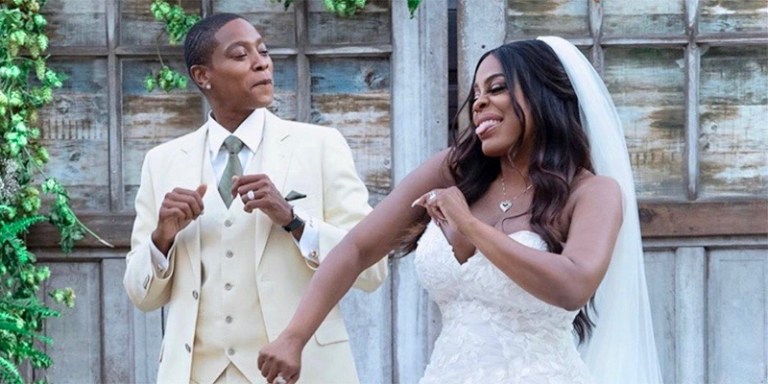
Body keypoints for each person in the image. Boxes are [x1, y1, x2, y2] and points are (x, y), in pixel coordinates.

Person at [257, 36, 663, 384]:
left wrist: (469, 227)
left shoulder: (592, 192)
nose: (480, 102)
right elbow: (357, 249)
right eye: (475, 95)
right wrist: (295, 335)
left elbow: (573, 285)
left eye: (498, 88)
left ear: (544, 94)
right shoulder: (453, 170)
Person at [123, 13, 388, 384]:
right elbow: (142, 296)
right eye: (240, 54)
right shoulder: (162, 162)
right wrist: (162, 238)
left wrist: (294, 221)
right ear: (203, 76)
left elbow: (373, 270)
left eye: (263, 51)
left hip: (301, 371)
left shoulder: (320, 147)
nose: (261, 62)